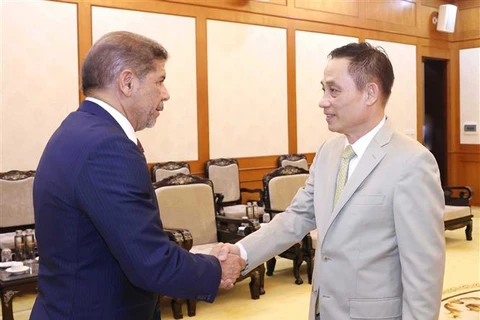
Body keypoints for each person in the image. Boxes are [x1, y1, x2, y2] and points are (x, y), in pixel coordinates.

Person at [220, 42, 446, 320]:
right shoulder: (329, 152)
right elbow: (297, 217)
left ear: (370, 93)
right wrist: (242, 252)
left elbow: (423, 270)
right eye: (323, 89)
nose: (323, 100)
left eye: (334, 90)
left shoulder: (412, 163)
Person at [31, 31, 244, 320]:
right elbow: (150, 262)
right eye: (160, 81)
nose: (166, 94)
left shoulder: (77, 129)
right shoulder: (107, 147)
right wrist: (216, 269)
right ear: (128, 82)